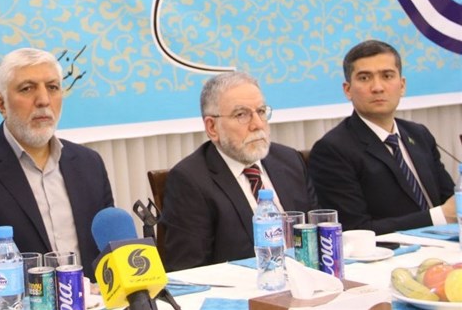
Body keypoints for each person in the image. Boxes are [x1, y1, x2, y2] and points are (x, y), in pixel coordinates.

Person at [0, 48, 114, 308]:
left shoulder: (89, 164)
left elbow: (109, 250)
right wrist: (50, 290)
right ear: (1, 104)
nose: (43, 100)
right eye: (27, 89)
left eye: (52, 87)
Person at [162, 71, 317, 271]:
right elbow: (188, 271)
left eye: (261, 111)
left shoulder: (290, 161)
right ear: (212, 127)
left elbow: (315, 236)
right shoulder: (190, 180)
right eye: (241, 115)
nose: (258, 125)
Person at [308, 39, 456, 234]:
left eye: (387, 76)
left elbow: (451, 201)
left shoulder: (419, 134)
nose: (377, 87)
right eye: (364, 78)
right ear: (347, 90)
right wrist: (439, 217)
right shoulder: (332, 149)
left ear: (402, 85)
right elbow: (355, 229)